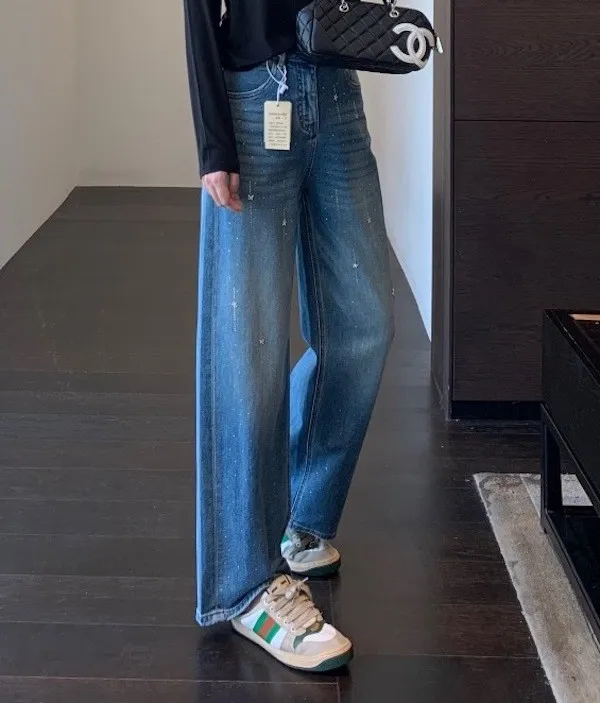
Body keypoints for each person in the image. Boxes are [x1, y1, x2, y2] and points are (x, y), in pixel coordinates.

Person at [184, 0, 395, 672]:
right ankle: (247, 586)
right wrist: (214, 141)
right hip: (253, 95)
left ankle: (301, 517)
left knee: (364, 323)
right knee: (248, 354)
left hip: (336, 88)